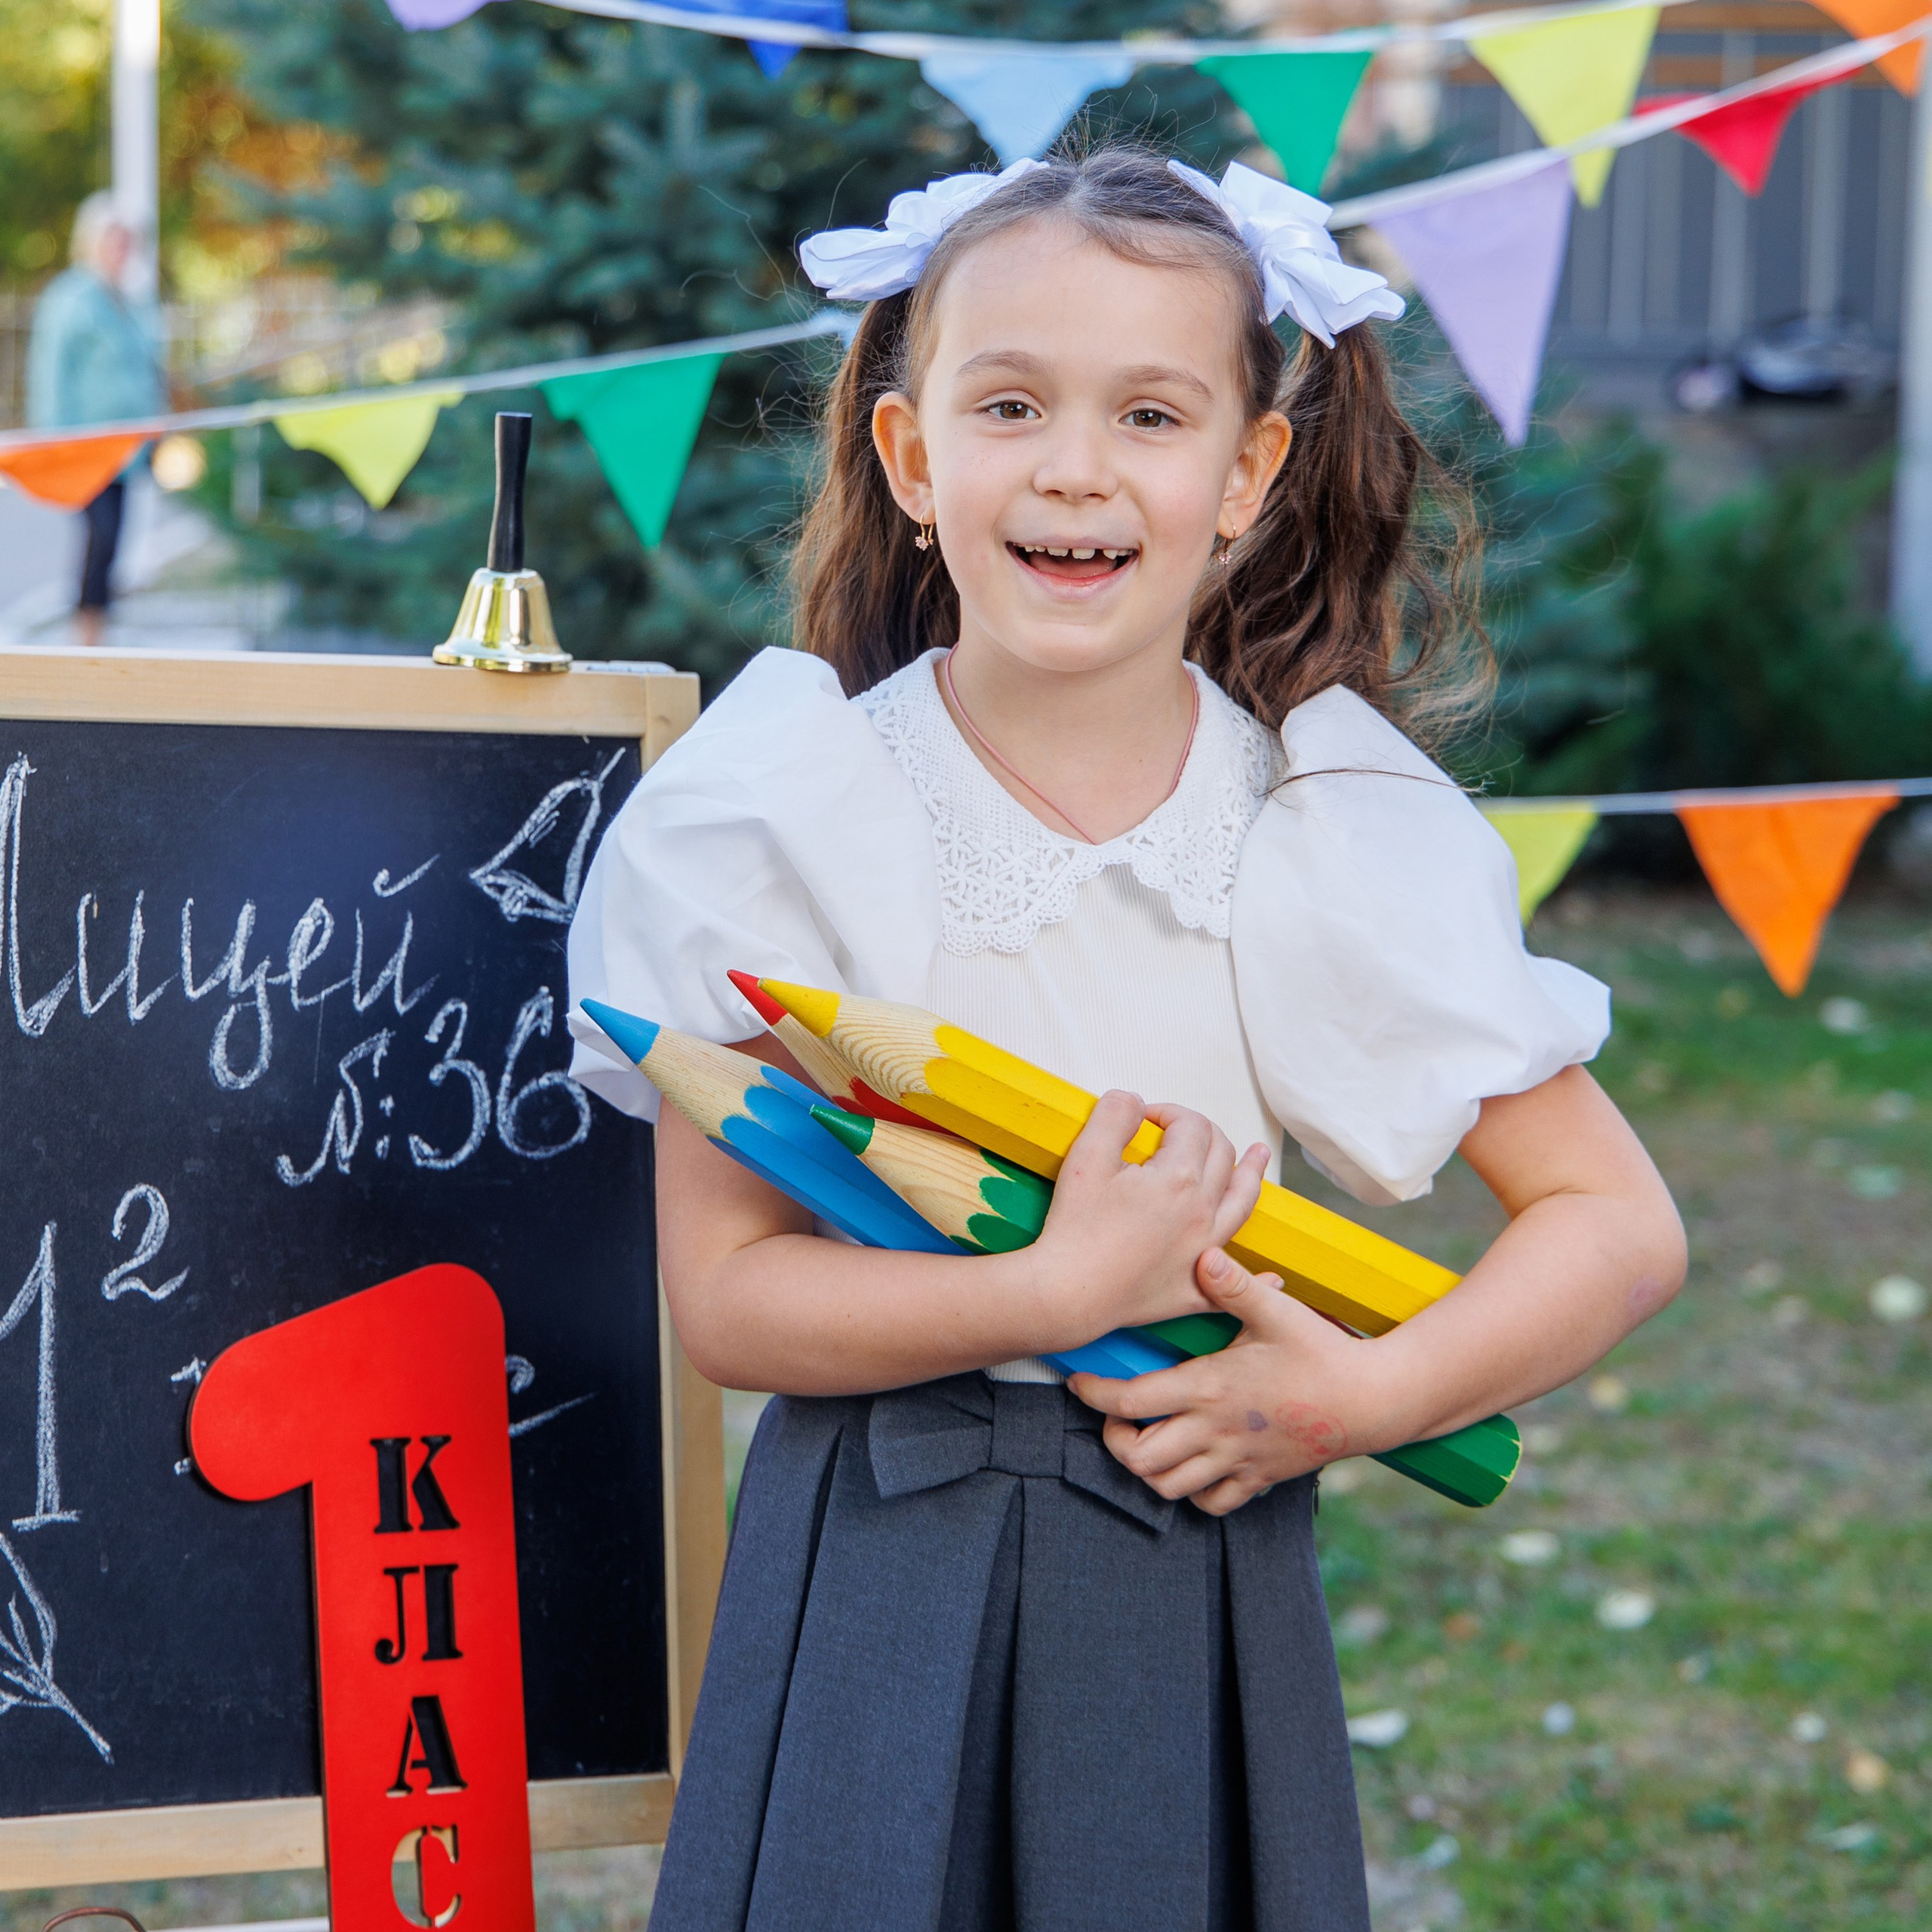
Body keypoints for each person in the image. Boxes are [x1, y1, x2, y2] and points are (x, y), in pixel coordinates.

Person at [568, 144, 1687, 1931]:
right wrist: (1043, 1284)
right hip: (873, 1552)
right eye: (1008, 402)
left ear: (1247, 473)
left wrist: (1364, 1391)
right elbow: (725, 1299)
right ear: (911, 455)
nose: (1075, 465)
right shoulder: (785, 811)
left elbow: (1613, 1224)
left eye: (1149, 414)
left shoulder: (1318, 826)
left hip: (1189, 1555)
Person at [25, 191, 167, 648]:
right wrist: (54, 441)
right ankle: (83, 632)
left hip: (127, 449)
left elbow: (145, 369)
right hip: (85, 446)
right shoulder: (71, 299)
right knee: (100, 536)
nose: (122, 250)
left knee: (114, 540)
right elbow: (50, 374)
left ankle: (97, 630)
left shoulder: (130, 301)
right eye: (114, 239)